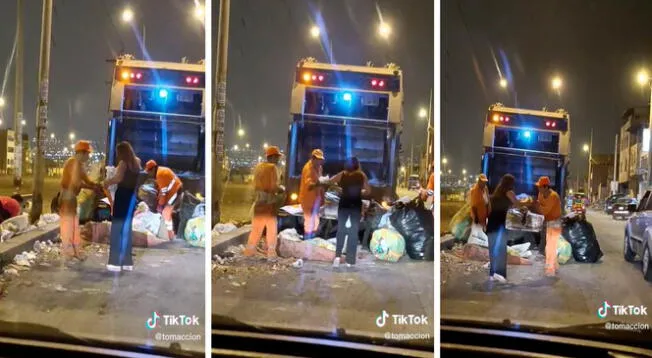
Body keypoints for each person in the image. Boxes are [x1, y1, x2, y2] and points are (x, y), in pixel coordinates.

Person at [103, 142, 141, 272]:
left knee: (117, 228)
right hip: (132, 197)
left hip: (122, 196)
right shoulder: (137, 162)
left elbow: (118, 178)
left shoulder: (123, 163)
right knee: (127, 229)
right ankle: (127, 262)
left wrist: (107, 182)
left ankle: (115, 262)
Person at [59, 140, 99, 261]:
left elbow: (86, 180)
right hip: (68, 196)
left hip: (70, 196)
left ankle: (72, 252)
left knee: (71, 224)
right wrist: (92, 187)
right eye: (87, 154)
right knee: (70, 225)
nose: (88, 156)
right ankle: (71, 253)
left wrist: (96, 185)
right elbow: (77, 183)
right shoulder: (73, 163)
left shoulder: (78, 164)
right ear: (81, 153)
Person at [329, 157, 371, 267]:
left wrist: (339, 189)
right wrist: (359, 191)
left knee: (341, 230)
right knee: (353, 232)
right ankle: (350, 261)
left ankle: (337, 258)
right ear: (357, 165)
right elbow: (368, 191)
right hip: (356, 206)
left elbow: (330, 182)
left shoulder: (342, 174)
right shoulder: (362, 175)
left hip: (343, 205)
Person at [244, 146, 285, 258]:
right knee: (272, 229)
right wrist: (281, 189)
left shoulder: (258, 167)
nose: (278, 159)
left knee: (256, 229)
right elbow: (272, 187)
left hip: (258, 204)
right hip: (268, 204)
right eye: (277, 157)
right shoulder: (272, 168)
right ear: (271, 157)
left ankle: (249, 251)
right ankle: (271, 254)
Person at [485, 174, 520, 283]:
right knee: (500, 251)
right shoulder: (509, 192)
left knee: (492, 250)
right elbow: (517, 204)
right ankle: (500, 275)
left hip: (491, 224)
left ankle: (492, 274)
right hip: (500, 225)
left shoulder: (497, 192)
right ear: (510, 183)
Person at [145, 160, 183, 240]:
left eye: (149, 171)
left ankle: (169, 235)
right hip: (174, 190)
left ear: (153, 169)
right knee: (167, 211)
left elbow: (164, 193)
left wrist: (160, 205)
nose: (148, 174)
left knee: (166, 212)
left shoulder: (160, 174)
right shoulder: (161, 171)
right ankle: (169, 233)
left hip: (175, 191)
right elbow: (162, 190)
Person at [533, 176, 563, 277]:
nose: (538, 188)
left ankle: (551, 269)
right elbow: (539, 207)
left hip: (555, 221)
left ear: (546, 187)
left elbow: (544, 211)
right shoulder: (541, 194)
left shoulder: (553, 196)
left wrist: (535, 206)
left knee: (551, 245)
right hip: (546, 220)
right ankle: (553, 264)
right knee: (544, 242)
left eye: (540, 186)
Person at [299, 149, 326, 240]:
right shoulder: (308, 168)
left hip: (316, 199)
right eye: (318, 159)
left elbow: (320, 182)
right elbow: (309, 185)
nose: (320, 161)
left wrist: (322, 197)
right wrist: (319, 183)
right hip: (307, 199)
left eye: (321, 159)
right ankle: (307, 238)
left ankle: (312, 237)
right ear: (313, 158)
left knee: (315, 220)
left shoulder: (319, 168)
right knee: (309, 221)